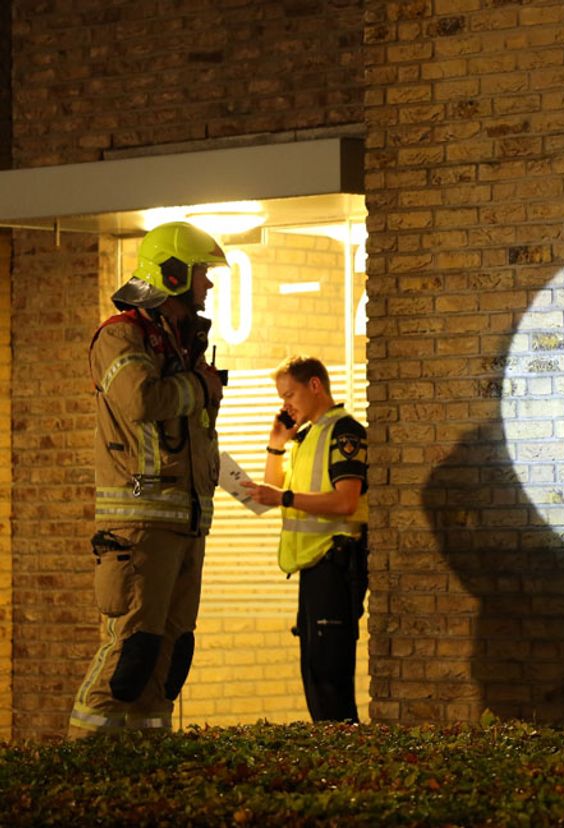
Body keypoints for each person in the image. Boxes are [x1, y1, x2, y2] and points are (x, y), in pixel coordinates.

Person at [69, 221, 226, 737]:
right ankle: (79, 765)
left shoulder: (181, 348)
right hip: (141, 518)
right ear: (174, 275)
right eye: (202, 274)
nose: (207, 286)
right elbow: (140, 401)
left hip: (186, 523)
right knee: (131, 653)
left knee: (170, 656)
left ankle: (146, 769)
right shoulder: (120, 336)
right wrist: (199, 389)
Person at [243, 356, 369, 722]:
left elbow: (346, 500)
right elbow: (277, 484)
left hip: (336, 563)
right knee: (315, 674)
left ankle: (349, 760)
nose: (285, 405)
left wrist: (282, 498)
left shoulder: (344, 433)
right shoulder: (308, 435)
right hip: (313, 568)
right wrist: (276, 444)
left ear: (315, 385)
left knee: (330, 676)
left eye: (289, 394)